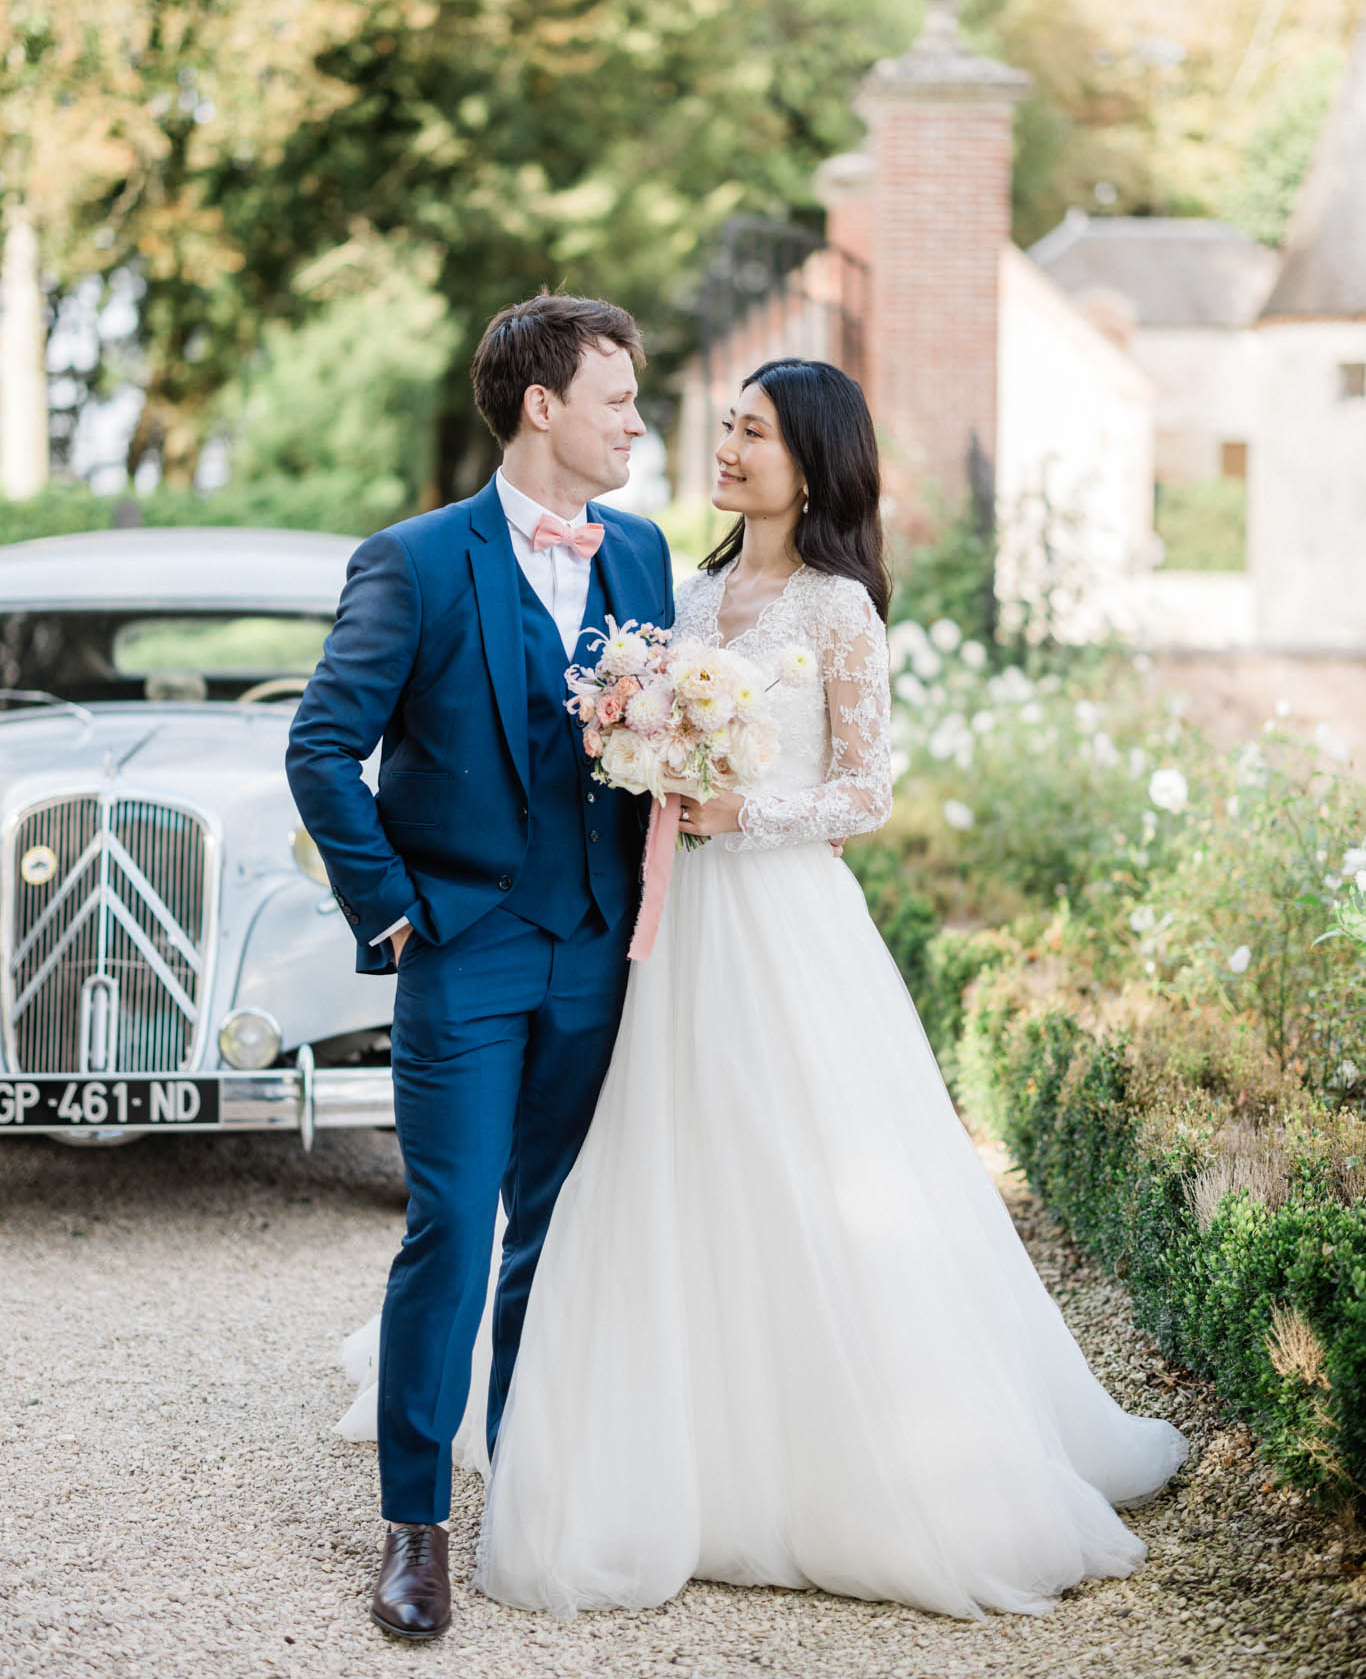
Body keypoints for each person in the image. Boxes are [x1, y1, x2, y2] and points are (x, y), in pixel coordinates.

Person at [465, 356, 1189, 1619]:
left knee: (802, 1159)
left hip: (784, 919)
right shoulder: (680, 588)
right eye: (730, 427)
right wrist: (641, 752)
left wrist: (742, 811)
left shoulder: (839, 609)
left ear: (811, 459)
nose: (729, 447)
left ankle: (849, 1454)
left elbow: (867, 790)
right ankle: (677, 1442)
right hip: (670, 925)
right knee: (663, 1163)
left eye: (753, 432)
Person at [286, 293, 674, 1640]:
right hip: (461, 952)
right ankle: (415, 1523)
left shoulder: (642, 553)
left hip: (593, 952)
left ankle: (528, 1488)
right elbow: (319, 748)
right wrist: (390, 909)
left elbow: (652, 754)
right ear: (542, 407)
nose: (640, 421)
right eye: (619, 399)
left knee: (554, 1235)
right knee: (452, 1226)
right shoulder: (411, 560)